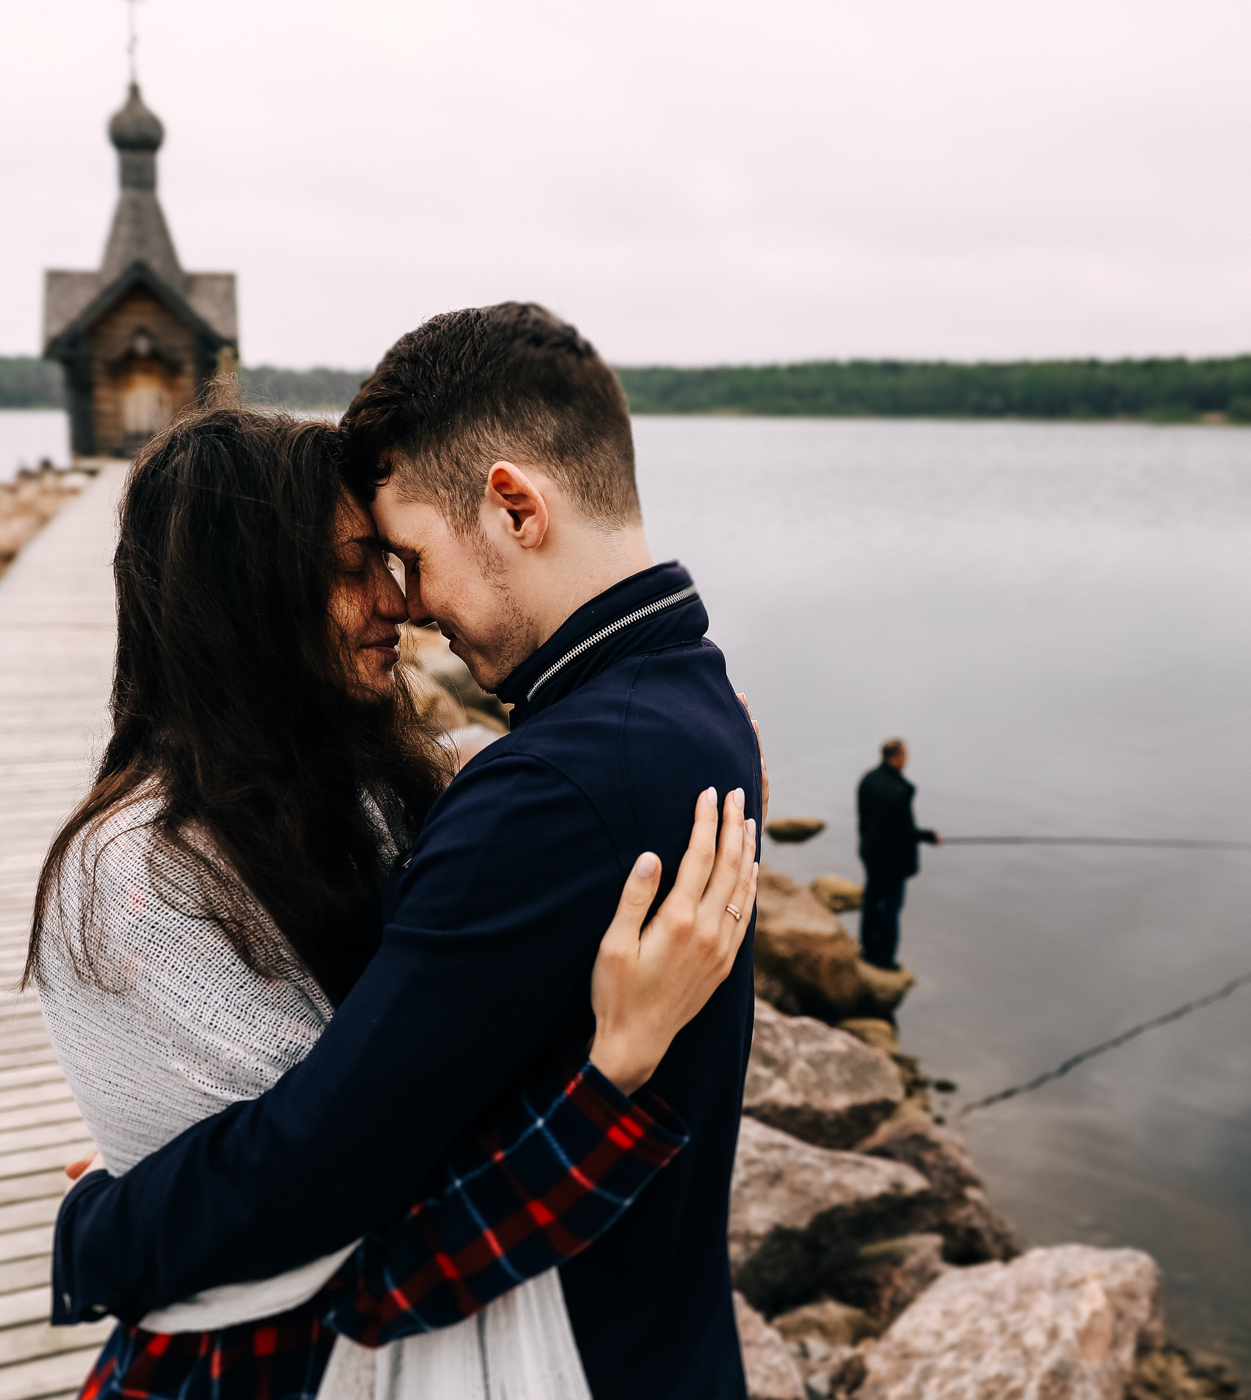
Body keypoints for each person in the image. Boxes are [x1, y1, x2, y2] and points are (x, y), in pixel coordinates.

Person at [54, 304, 767, 1399]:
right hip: (659, 1337)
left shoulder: (545, 793)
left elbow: (326, 1160)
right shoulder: (701, 704)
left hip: (553, 1352)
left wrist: (106, 1226)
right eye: (367, 565)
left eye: (409, 555)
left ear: (514, 506)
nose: (410, 602)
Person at [855, 737, 936, 971]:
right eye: (905, 755)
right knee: (890, 910)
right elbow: (905, 832)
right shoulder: (900, 792)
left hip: (871, 854)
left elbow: (863, 818)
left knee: (871, 902)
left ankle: (868, 949)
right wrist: (930, 836)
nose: (906, 759)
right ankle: (884, 959)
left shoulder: (868, 780)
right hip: (893, 863)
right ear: (898, 758)